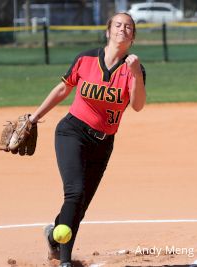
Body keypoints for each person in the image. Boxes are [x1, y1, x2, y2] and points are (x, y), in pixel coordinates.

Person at [29, 12, 146, 267]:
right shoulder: (86, 59)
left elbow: (137, 105)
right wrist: (34, 118)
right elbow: (63, 88)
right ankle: (65, 261)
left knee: (80, 206)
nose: (122, 29)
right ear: (108, 31)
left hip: (103, 143)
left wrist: (135, 74)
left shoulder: (133, 69)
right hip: (72, 132)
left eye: (128, 27)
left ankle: (53, 236)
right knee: (75, 192)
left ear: (133, 37)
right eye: (117, 25)